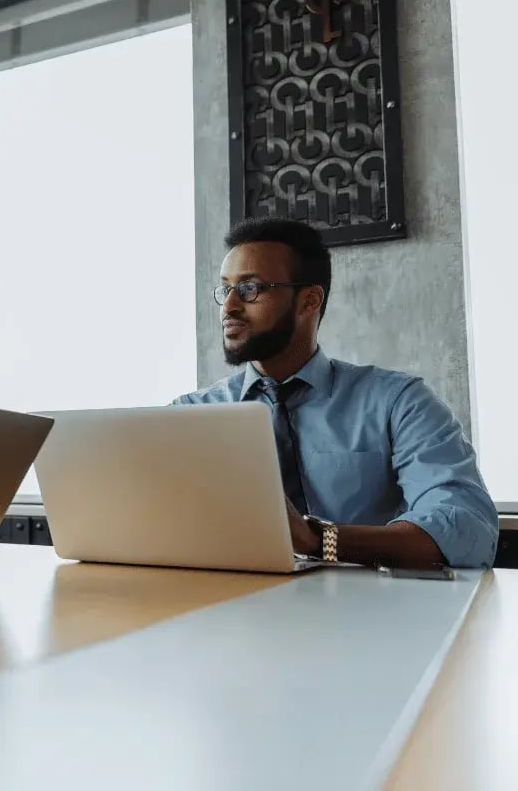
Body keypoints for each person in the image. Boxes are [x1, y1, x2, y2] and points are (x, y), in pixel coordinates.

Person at [174, 217, 497, 569]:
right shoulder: (189, 416)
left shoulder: (399, 402)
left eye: (250, 289)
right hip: (224, 612)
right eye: (226, 289)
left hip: (370, 613)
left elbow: (467, 529)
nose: (229, 307)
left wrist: (318, 539)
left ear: (309, 300)